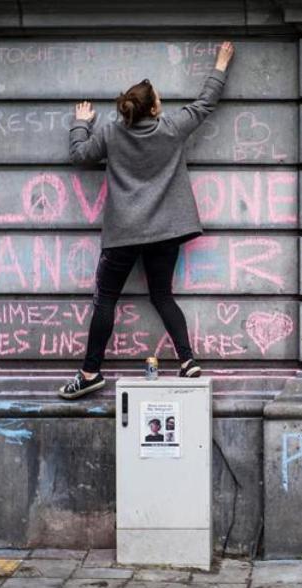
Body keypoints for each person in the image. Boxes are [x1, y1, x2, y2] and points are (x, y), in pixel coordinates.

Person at [58, 41, 236, 400]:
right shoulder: (170, 127)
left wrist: (80, 124)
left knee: (105, 300)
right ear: (154, 107)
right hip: (165, 233)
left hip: (124, 234)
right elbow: (205, 102)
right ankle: (187, 361)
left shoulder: (109, 131)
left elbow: (80, 156)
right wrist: (220, 63)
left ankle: (90, 373)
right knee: (162, 296)